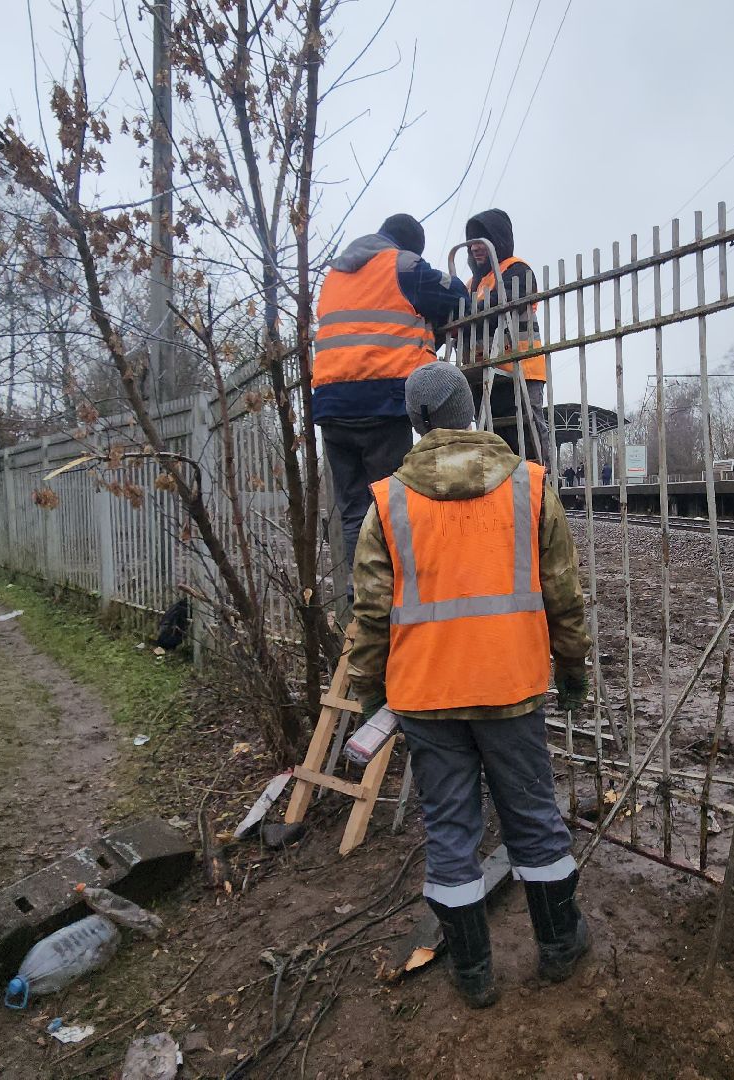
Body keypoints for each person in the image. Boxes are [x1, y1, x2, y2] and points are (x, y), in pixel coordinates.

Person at [347, 362, 592, 1008]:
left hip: (426, 699)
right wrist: (571, 670)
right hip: (511, 689)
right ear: (469, 410)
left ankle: (475, 973)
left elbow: (371, 615)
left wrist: (373, 691)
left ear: (417, 423)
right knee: (534, 821)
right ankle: (561, 945)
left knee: (451, 832)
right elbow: (564, 597)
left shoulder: (387, 503)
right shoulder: (531, 489)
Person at [313, 213, 470, 582]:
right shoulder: (403, 264)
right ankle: (397, 596)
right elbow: (456, 294)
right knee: (391, 505)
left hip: (332, 405)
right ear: (410, 246)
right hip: (381, 402)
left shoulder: (334, 275)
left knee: (354, 512)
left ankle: (361, 602)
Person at [462, 208, 550, 464]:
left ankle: (544, 486)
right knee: (491, 435)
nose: (475, 247)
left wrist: (471, 313)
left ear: (497, 239)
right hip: (483, 371)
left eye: (482, 239)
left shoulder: (517, 270)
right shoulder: (470, 285)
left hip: (521, 367)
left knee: (530, 431)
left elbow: (502, 301)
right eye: (471, 241)